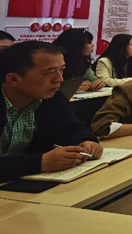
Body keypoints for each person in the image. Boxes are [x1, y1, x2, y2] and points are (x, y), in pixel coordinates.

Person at [0, 41, 103, 182]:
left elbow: (73, 128)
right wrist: (39, 162)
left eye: (62, 70)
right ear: (13, 79)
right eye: (49, 72)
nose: (59, 79)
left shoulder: (52, 98)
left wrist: (86, 142)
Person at [53, 28, 105, 92]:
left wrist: (97, 83)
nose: (93, 45)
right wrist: (69, 88)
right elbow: (50, 85)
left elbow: (92, 79)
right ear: (77, 46)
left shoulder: (83, 61)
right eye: (89, 43)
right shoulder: (56, 61)